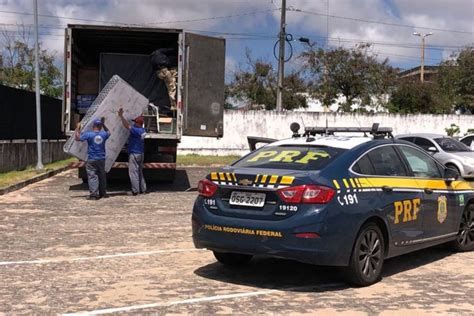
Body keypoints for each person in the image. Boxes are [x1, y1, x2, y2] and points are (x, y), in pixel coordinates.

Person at [74, 118, 110, 200]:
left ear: (93, 126)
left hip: (92, 158)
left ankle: (94, 194)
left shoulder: (89, 134)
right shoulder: (103, 135)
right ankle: (102, 193)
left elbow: (77, 138)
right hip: (101, 158)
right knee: (102, 176)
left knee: (92, 176)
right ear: (100, 126)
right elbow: (109, 132)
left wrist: (78, 128)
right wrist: (104, 124)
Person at [118, 108, 147, 195]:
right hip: (141, 153)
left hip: (134, 153)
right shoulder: (143, 131)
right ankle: (143, 189)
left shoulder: (136, 130)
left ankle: (135, 191)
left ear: (138, 123)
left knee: (133, 172)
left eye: (135, 122)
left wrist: (121, 116)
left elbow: (127, 126)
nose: (133, 123)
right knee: (139, 172)